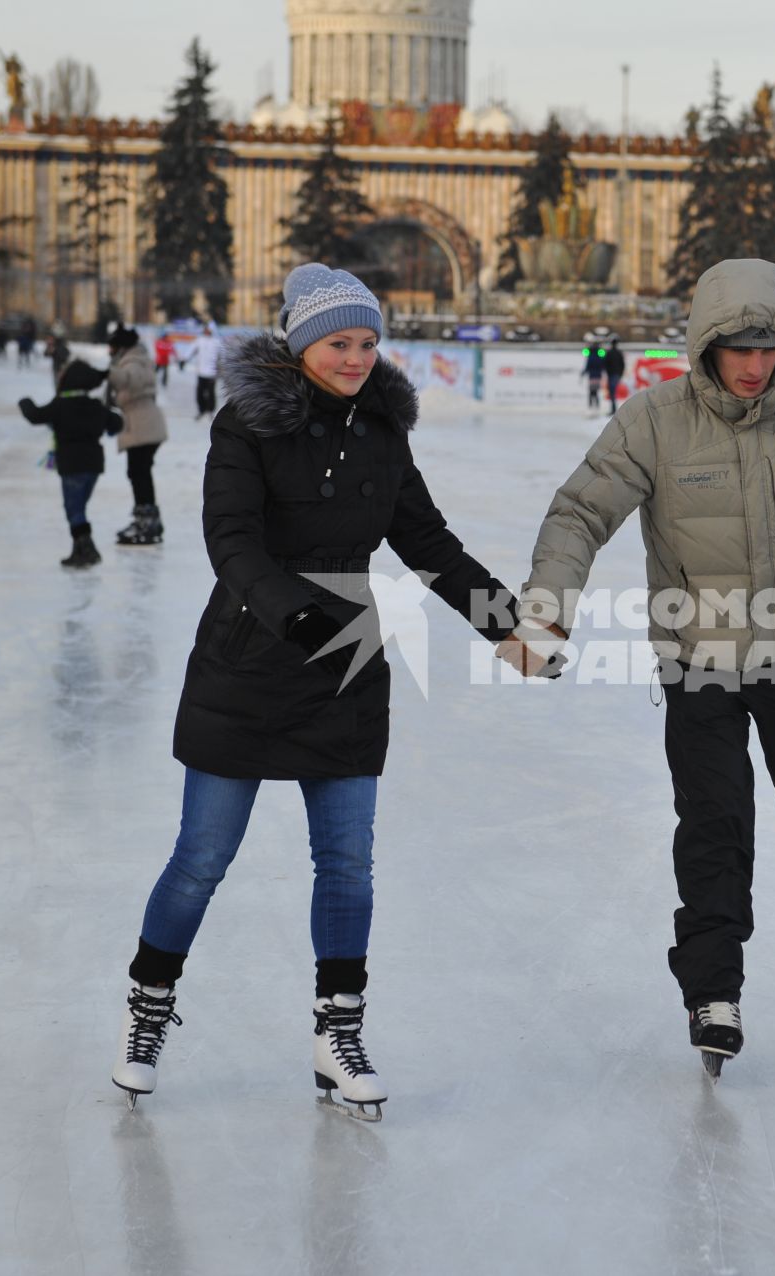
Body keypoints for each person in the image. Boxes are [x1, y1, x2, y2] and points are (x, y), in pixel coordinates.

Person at [110, 264, 518, 1120]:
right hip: (246, 663)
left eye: (369, 343)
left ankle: (338, 1033)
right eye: (341, 343)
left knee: (347, 864)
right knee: (201, 858)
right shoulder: (247, 424)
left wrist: (505, 622)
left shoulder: (381, 431)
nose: (358, 358)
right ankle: (147, 1009)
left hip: (346, 671)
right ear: (301, 344)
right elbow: (230, 539)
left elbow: (427, 540)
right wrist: (293, 614)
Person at [509, 257, 775, 1079]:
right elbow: (581, 511)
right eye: (736, 347)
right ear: (705, 343)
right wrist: (548, 604)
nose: (753, 365)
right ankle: (712, 988)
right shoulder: (655, 420)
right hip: (699, 659)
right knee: (715, 824)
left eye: (769, 347)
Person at [17, 358, 120, 567]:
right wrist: (107, 428)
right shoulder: (95, 406)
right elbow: (116, 423)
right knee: (78, 508)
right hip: (93, 465)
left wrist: (24, 402)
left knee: (74, 509)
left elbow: (36, 416)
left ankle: (87, 550)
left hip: (72, 464)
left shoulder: (60, 404)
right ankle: (80, 549)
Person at [105, 326, 169, 546]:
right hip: (141, 423)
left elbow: (130, 379)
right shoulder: (135, 357)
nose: (109, 352)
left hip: (144, 424)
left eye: (112, 347)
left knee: (139, 472)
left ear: (121, 347)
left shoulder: (134, 360)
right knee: (138, 472)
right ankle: (146, 519)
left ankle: (147, 522)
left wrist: (109, 374)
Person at [189, 321, 222, 417]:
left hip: (212, 373)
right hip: (201, 372)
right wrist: (184, 359)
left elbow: (222, 356)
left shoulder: (217, 342)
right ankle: (201, 409)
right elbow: (191, 350)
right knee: (200, 392)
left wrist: (221, 368)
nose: (206, 331)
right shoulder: (199, 340)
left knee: (211, 392)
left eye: (208, 330)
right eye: (205, 329)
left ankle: (210, 409)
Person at [582, 333, 605, 414]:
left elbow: (588, 366)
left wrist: (583, 373)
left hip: (592, 376)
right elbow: (602, 365)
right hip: (597, 376)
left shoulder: (590, 356)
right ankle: (597, 406)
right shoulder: (600, 356)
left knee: (591, 391)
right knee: (596, 391)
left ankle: (591, 405)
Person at [603, 338, 627, 413]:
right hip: (617, 375)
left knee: (612, 392)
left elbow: (605, 364)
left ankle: (613, 409)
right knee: (615, 392)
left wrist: (608, 373)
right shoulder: (619, 353)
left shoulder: (609, 353)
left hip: (611, 375)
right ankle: (615, 409)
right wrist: (620, 374)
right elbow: (623, 364)